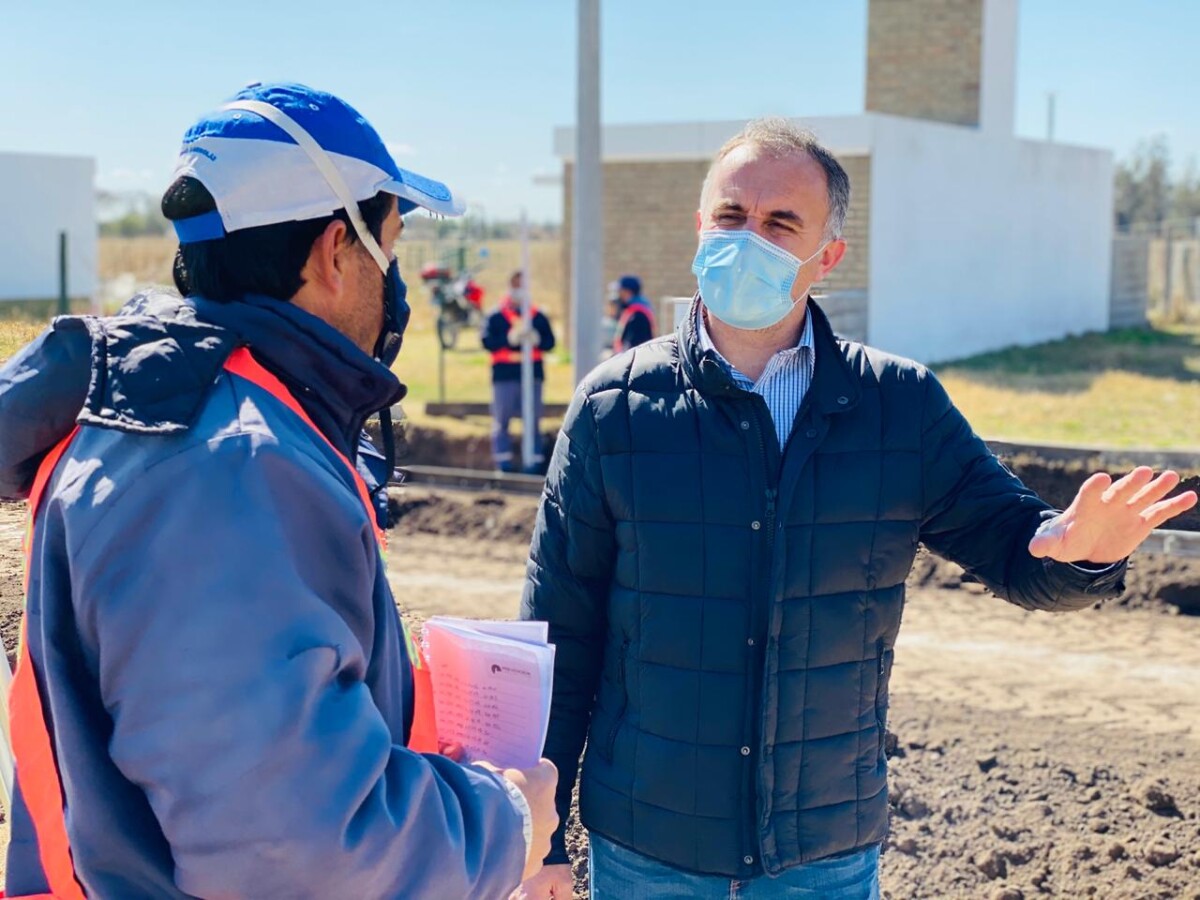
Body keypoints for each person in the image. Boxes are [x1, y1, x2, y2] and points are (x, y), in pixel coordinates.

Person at [515, 118, 1197, 899]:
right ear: (701, 227)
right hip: (648, 843)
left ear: (827, 256)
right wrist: (539, 840)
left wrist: (1083, 552)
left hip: (823, 852)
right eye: (732, 217)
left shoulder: (897, 407)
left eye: (781, 224)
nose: (749, 238)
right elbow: (557, 635)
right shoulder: (615, 410)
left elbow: (1020, 552)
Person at [0, 82, 558, 899]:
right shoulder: (222, 467)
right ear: (337, 250)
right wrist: (500, 826)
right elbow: (291, 847)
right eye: (390, 246)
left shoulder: (199, 420)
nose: (393, 279)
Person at [480, 271, 557, 473]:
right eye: (516, 286)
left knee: (533, 420)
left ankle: (534, 461)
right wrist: (509, 339)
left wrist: (537, 338)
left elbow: (550, 343)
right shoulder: (495, 316)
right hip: (505, 375)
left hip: (533, 375)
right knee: (502, 419)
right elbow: (487, 342)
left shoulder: (537, 317)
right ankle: (503, 463)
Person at [609, 274, 656, 352]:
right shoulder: (635, 310)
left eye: (620, 291)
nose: (619, 294)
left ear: (627, 292)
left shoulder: (637, 314)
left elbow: (635, 343)